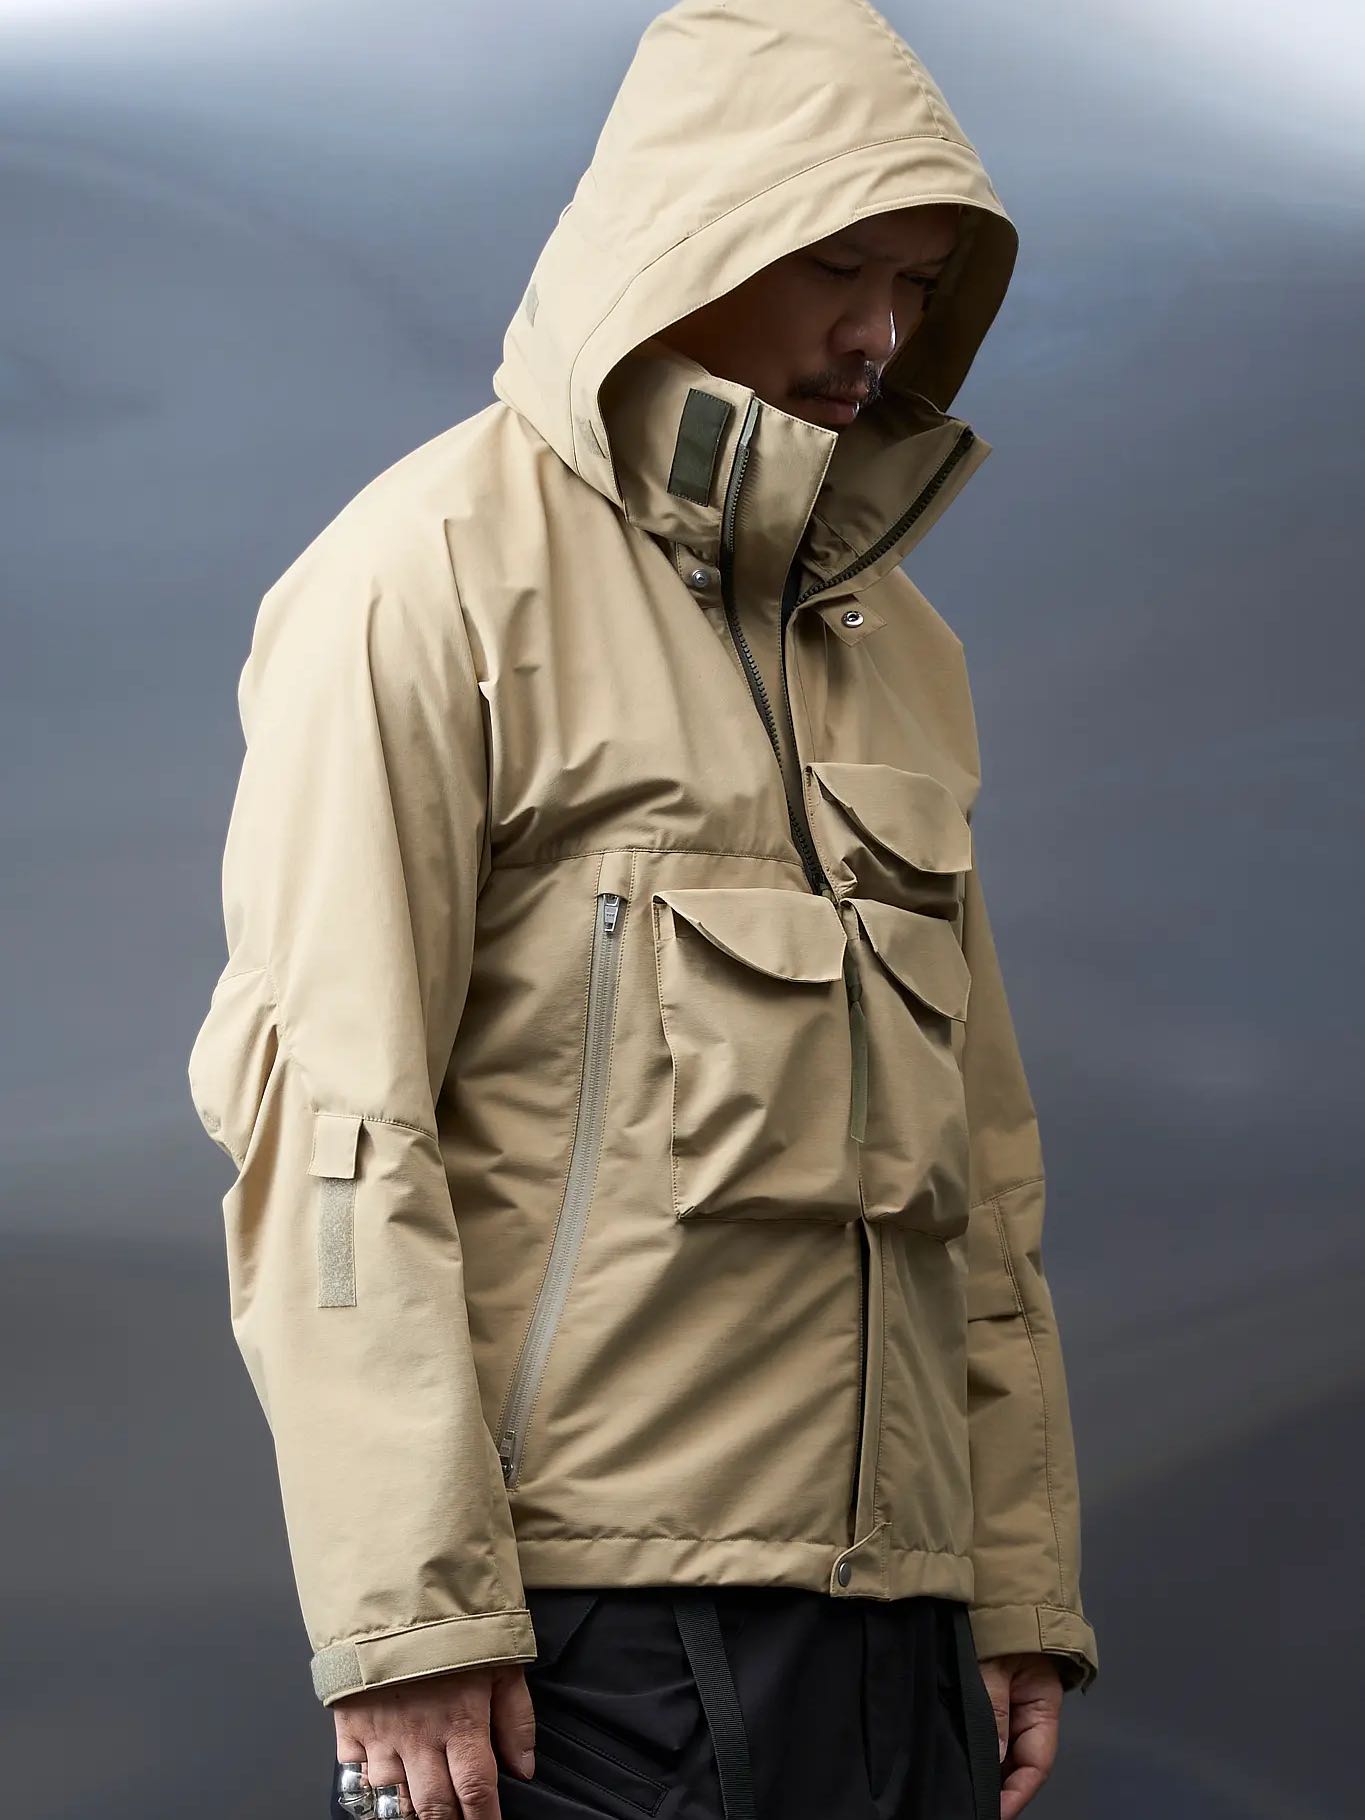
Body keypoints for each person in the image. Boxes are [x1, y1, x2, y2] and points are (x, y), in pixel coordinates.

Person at [187, 2, 1099, 1816]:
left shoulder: (894, 643)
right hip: (587, 1634)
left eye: (915, 283)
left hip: (898, 1630)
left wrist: (1006, 1584)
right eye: (834, 265)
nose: (878, 332)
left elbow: (977, 1177)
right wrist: (409, 1614)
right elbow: (332, 1124)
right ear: (687, 237)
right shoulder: (425, 578)